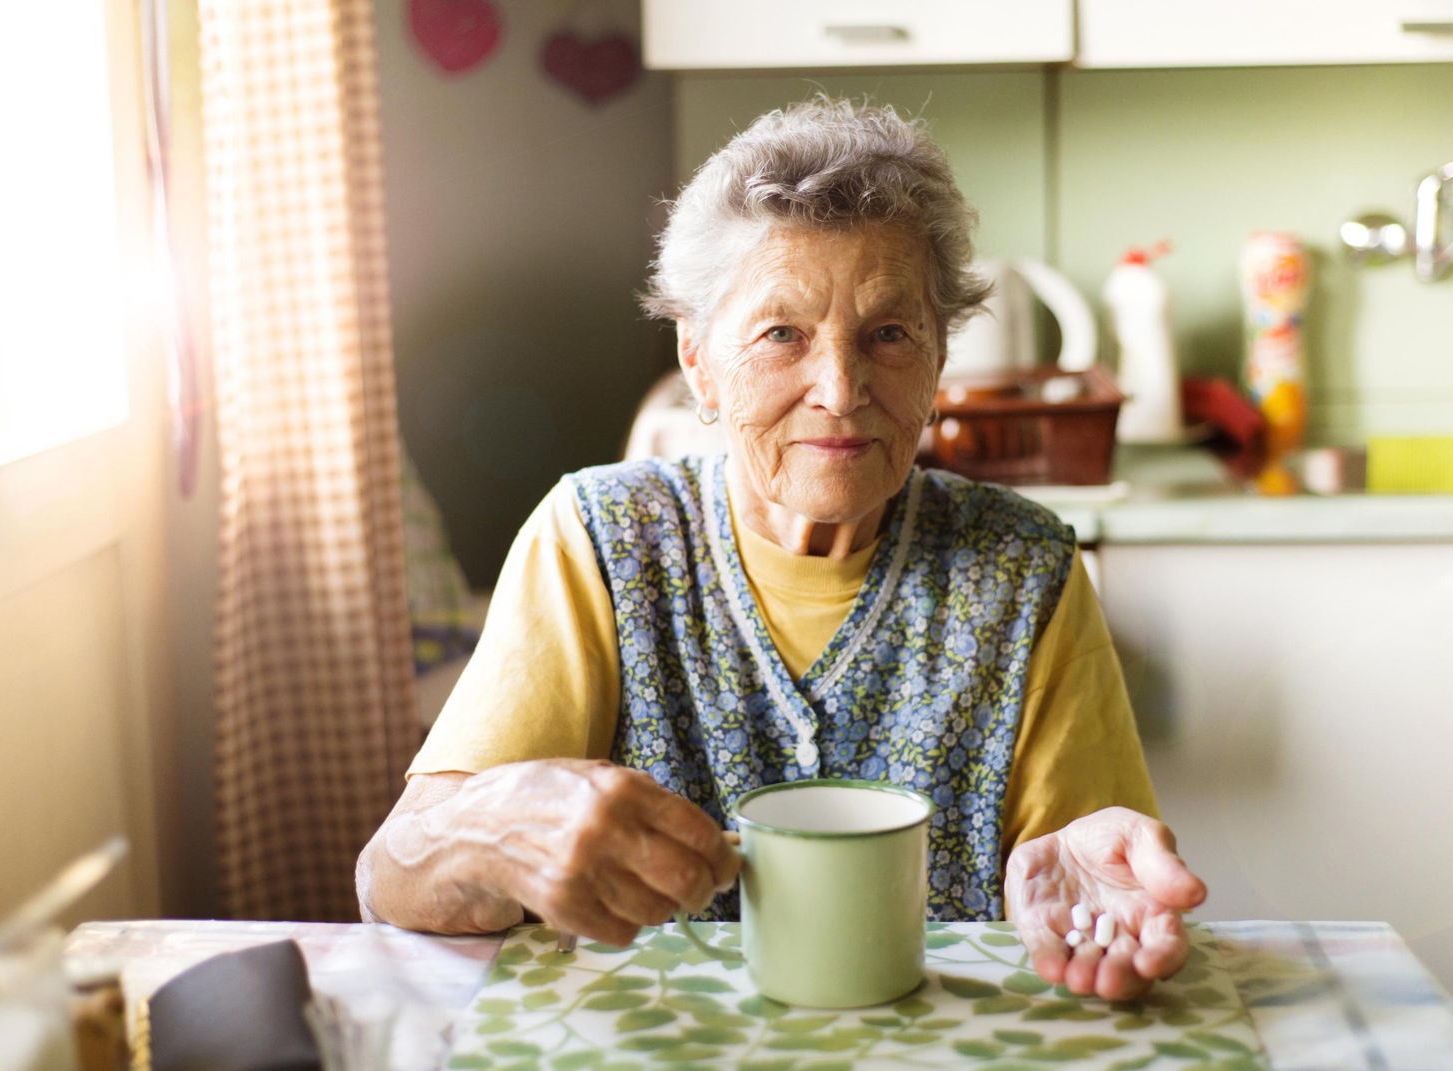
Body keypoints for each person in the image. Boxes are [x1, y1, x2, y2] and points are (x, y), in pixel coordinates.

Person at [358, 97, 1206, 1001]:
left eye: (888, 333)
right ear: (698, 362)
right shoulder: (600, 541)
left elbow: (1085, 872)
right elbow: (392, 879)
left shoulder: (1023, 566)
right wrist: (488, 833)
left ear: (939, 355)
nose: (840, 390)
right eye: (781, 335)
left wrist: (1098, 898)